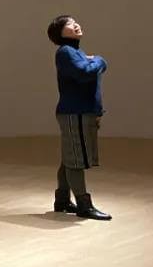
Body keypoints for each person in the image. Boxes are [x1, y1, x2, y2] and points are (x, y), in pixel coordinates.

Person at [47, 15, 111, 220]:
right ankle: (84, 205)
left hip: (78, 112)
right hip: (75, 113)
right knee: (75, 160)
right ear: (59, 32)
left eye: (75, 22)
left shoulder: (75, 52)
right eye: (69, 23)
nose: (75, 25)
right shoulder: (66, 52)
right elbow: (84, 73)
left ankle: (62, 200)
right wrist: (100, 60)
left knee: (69, 158)